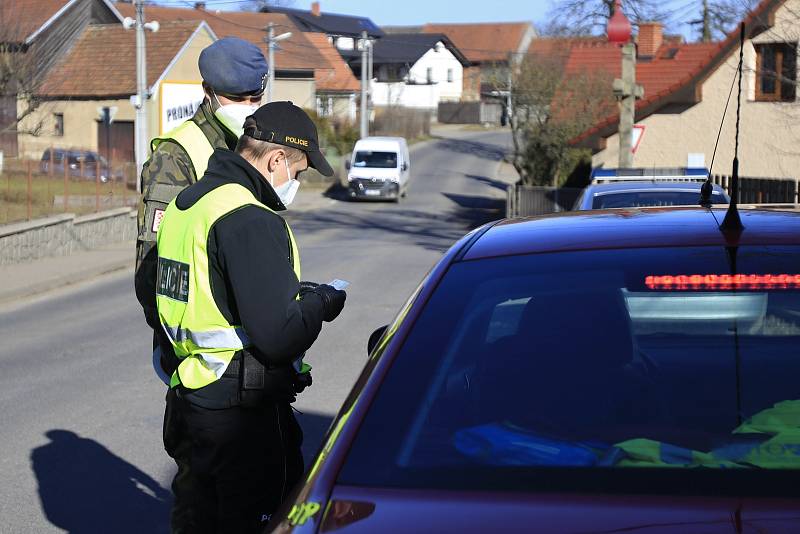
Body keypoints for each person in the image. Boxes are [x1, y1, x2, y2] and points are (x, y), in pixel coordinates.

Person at [154, 101, 346, 533]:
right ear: (277, 159)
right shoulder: (248, 217)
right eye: (297, 173)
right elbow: (279, 335)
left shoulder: (188, 204)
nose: (295, 182)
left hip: (191, 397)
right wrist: (321, 302)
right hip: (242, 417)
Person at [133, 37, 268, 533]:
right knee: (201, 491)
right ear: (209, 93)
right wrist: (184, 347)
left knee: (257, 486)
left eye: (254, 99)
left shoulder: (256, 140)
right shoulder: (178, 156)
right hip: (200, 360)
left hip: (256, 354)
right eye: (238, 100)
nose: (247, 109)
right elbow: (153, 272)